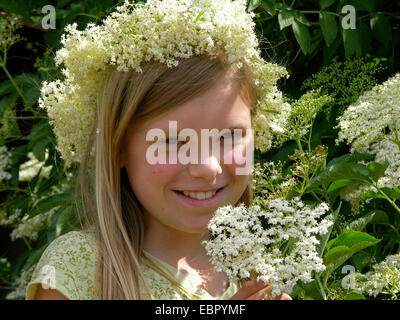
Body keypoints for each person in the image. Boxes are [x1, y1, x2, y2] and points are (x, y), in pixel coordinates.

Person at [25, 0, 291, 300]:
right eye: (174, 141)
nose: (207, 167)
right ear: (119, 148)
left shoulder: (259, 268)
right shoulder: (77, 271)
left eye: (229, 136)